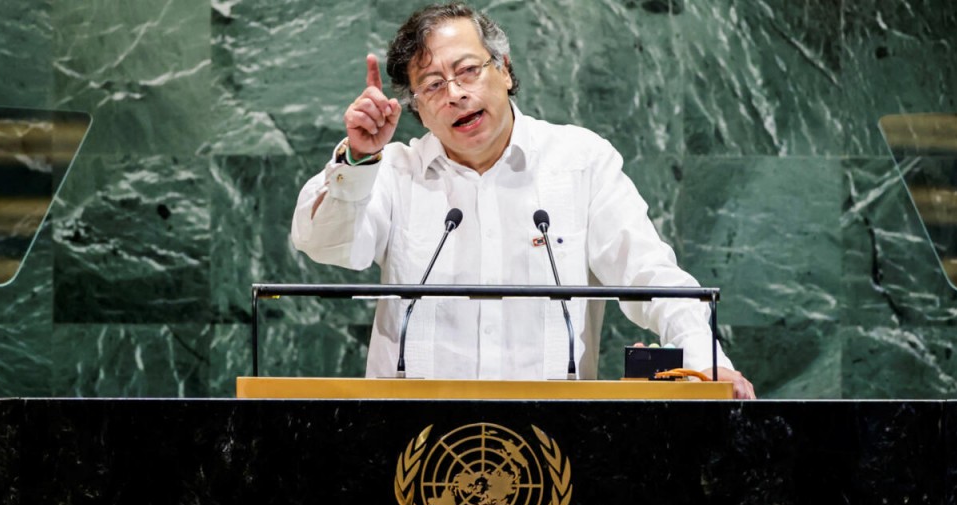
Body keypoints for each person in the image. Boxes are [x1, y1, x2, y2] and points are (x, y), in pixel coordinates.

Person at [291, 2, 755, 399]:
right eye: (432, 85)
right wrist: (358, 159)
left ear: (505, 70)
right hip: (414, 443)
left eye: (468, 71)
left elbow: (651, 277)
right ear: (418, 111)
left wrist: (706, 364)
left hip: (552, 442)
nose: (455, 94)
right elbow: (326, 244)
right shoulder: (393, 172)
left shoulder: (580, 162)